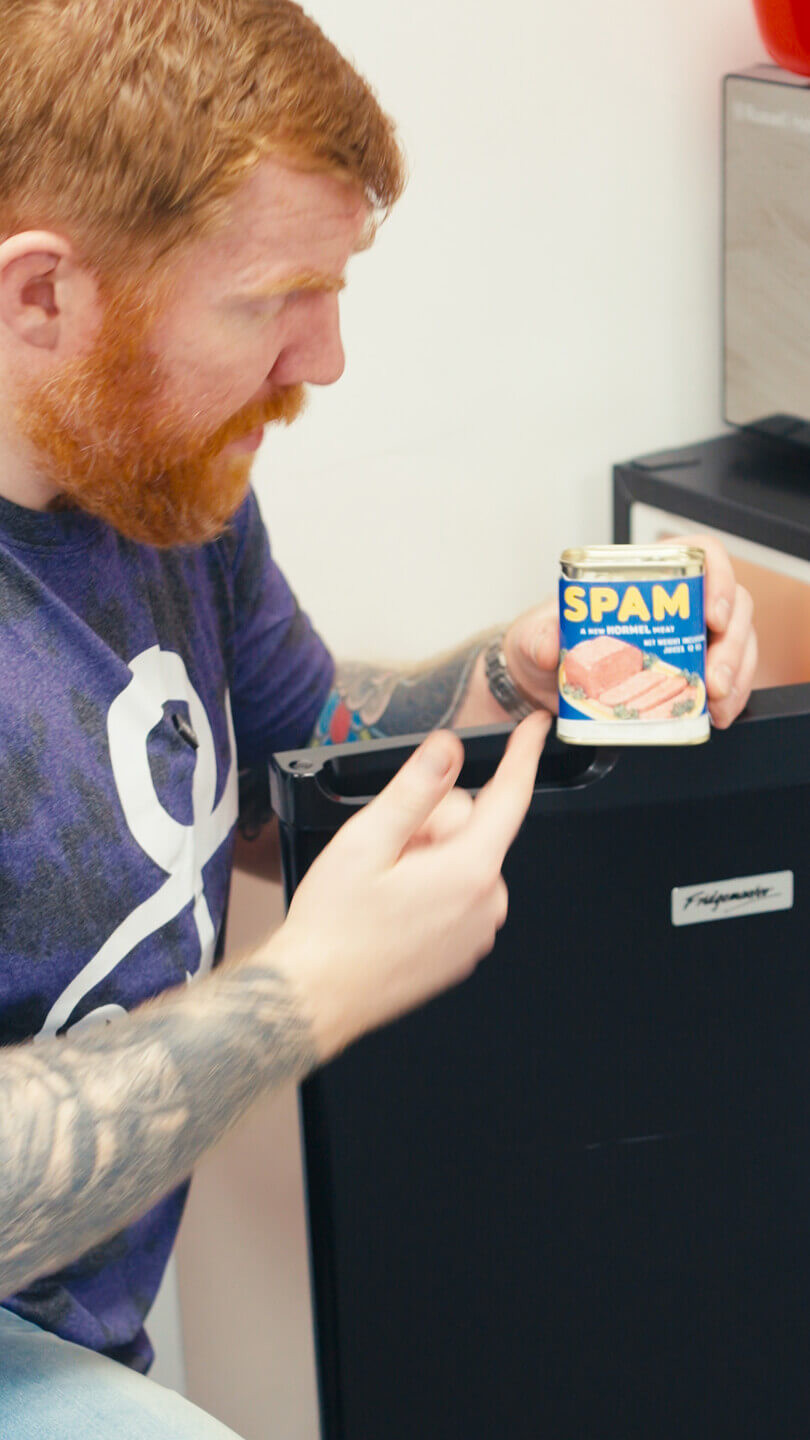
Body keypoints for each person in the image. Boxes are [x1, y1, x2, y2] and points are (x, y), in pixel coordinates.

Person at [0, 1, 757, 1435]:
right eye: (270, 300)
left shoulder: (159, 485)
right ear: (43, 296)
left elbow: (312, 754)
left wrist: (510, 680)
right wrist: (304, 994)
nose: (325, 360)